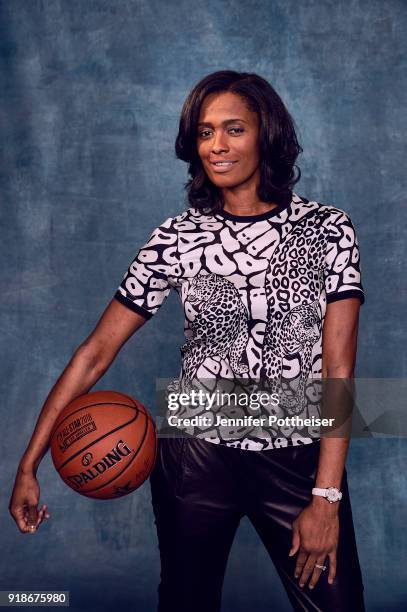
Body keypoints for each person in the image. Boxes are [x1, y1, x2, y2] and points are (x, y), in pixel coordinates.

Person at [9, 70, 366, 612]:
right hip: (194, 461)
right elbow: (95, 352)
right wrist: (29, 464)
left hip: (299, 461)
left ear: (266, 135)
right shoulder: (176, 237)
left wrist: (325, 495)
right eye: (204, 132)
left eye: (233, 129)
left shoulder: (327, 228)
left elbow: (338, 368)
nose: (217, 146)